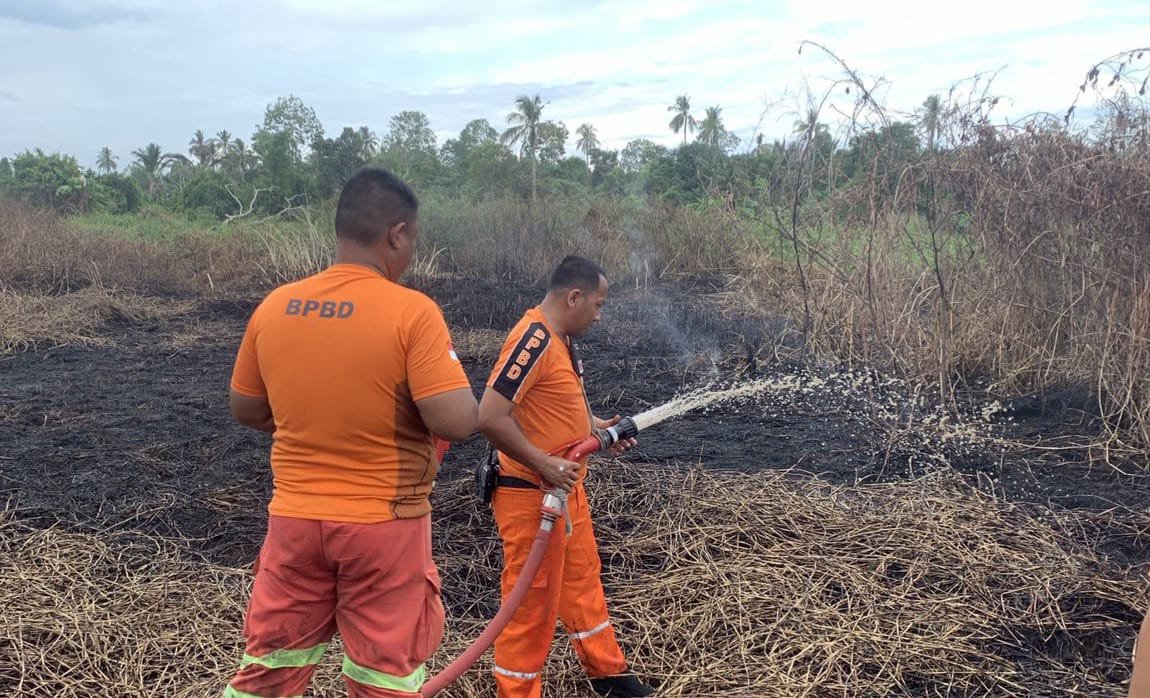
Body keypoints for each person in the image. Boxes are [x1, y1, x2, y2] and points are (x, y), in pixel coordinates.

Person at [222, 167, 477, 698]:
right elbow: (455, 421)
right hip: (383, 526)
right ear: (397, 233)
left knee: (268, 671)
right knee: (383, 678)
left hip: (293, 523)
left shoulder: (276, 306)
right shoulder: (412, 312)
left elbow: (246, 407)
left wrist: (310, 416)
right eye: (413, 240)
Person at [477, 255, 655, 698]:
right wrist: (543, 462)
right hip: (531, 495)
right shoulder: (533, 339)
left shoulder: (562, 341)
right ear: (573, 297)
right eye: (597, 304)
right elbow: (490, 416)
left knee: (582, 583)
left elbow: (551, 406)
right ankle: (516, 692)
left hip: (564, 489)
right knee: (530, 603)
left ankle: (608, 675)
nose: (599, 315)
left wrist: (596, 430)